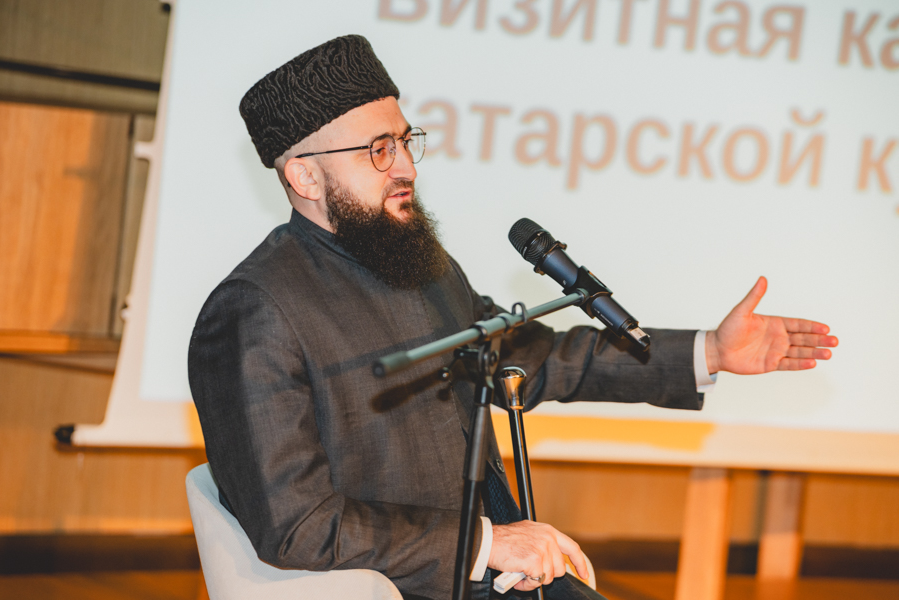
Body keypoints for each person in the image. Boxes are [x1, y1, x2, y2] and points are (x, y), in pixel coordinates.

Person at [187, 35, 837, 600]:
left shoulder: (418, 261)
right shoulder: (253, 312)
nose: (406, 167)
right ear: (305, 177)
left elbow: (532, 357)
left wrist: (710, 351)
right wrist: (486, 544)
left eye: (406, 142)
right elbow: (296, 526)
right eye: (378, 150)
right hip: (407, 584)